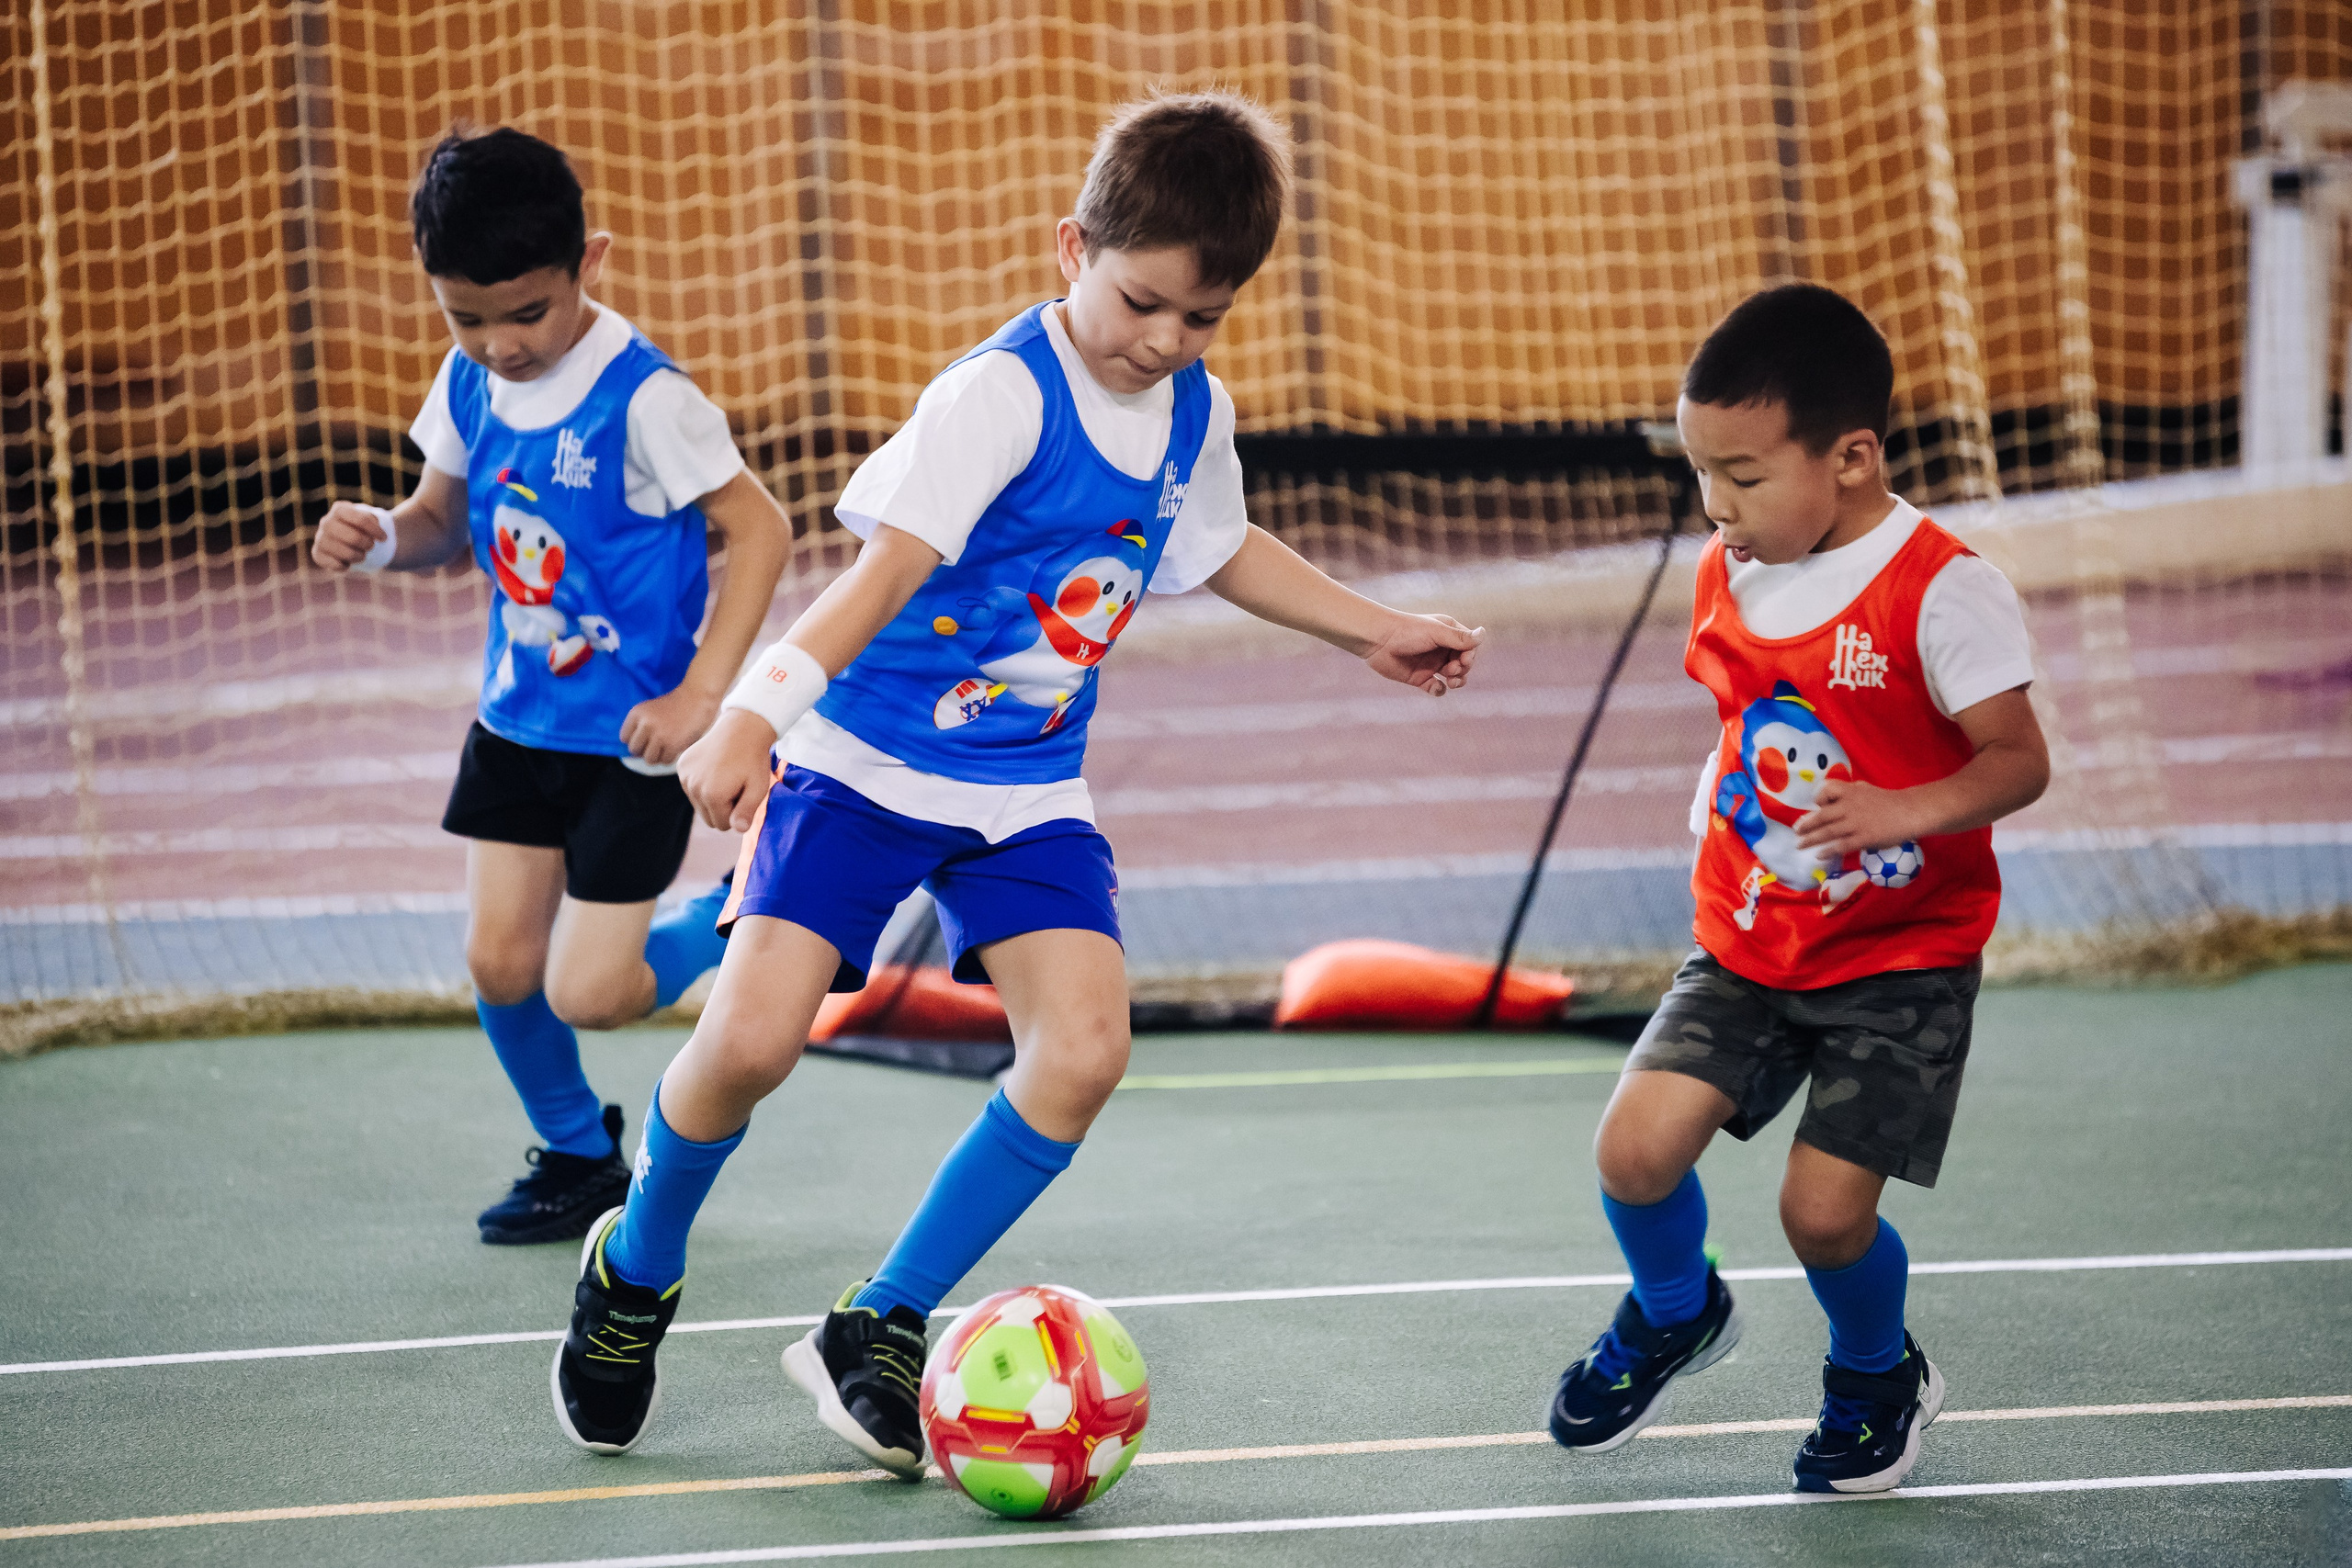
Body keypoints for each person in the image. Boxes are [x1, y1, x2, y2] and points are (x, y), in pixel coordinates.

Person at [545, 90, 1483, 1461]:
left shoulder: (1188, 410)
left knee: (1086, 1049)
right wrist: (752, 715)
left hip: (1028, 786)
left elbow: (1219, 546)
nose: (1165, 339)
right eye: (1142, 300)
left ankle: (882, 1317)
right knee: (745, 1046)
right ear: (1071, 249)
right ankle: (634, 1264)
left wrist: (1375, 629)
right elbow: (877, 582)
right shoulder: (997, 396)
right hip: (862, 763)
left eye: (1204, 317)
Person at [1545, 284, 2049, 1493]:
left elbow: (2019, 759)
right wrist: (1720, 793)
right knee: (1634, 1151)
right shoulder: (1737, 566)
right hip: (1749, 937)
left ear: (1854, 456)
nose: (1716, 506)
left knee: (1821, 1215)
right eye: (1700, 473)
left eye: (1744, 474)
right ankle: (1676, 1307)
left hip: (1899, 957)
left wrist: (1900, 808)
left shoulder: (1941, 587)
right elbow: (1748, 713)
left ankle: (1878, 1370)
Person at [311, 128, 790, 1247]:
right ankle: (580, 1153)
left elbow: (758, 531)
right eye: (466, 319)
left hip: (633, 745)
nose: (499, 344)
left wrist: (705, 699)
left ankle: (744, 935)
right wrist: (381, 537)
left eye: (526, 314)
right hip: (516, 725)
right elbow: (439, 522)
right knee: (497, 963)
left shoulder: (647, 399)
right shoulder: (467, 383)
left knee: (590, 992)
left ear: (591, 262)